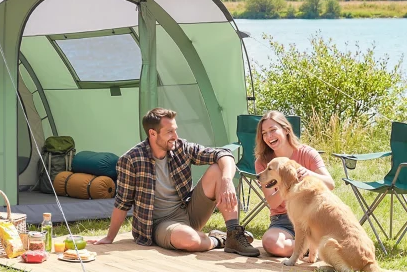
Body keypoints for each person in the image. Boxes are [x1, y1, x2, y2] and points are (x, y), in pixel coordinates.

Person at [90, 107, 260, 256]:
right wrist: (109, 237)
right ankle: (218, 239)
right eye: (170, 132)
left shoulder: (181, 147)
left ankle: (234, 233)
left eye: (175, 130)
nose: (175, 136)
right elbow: (123, 203)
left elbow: (222, 154)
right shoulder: (131, 159)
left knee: (218, 169)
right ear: (152, 133)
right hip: (158, 224)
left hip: (188, 211)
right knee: (189, 240)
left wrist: (226, 180)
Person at [254, 110, 334, 258]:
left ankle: (312, 244)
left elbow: (330, 184)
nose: (269, 136)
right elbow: (272, 202)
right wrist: (286, 181)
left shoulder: (307, 153)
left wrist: (308, 173)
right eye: (264, 133)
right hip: (283, 219)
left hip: (312, 216)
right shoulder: (263, 162)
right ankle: (310, 246)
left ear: (285, 130)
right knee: (272, 244)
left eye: (273, 130)